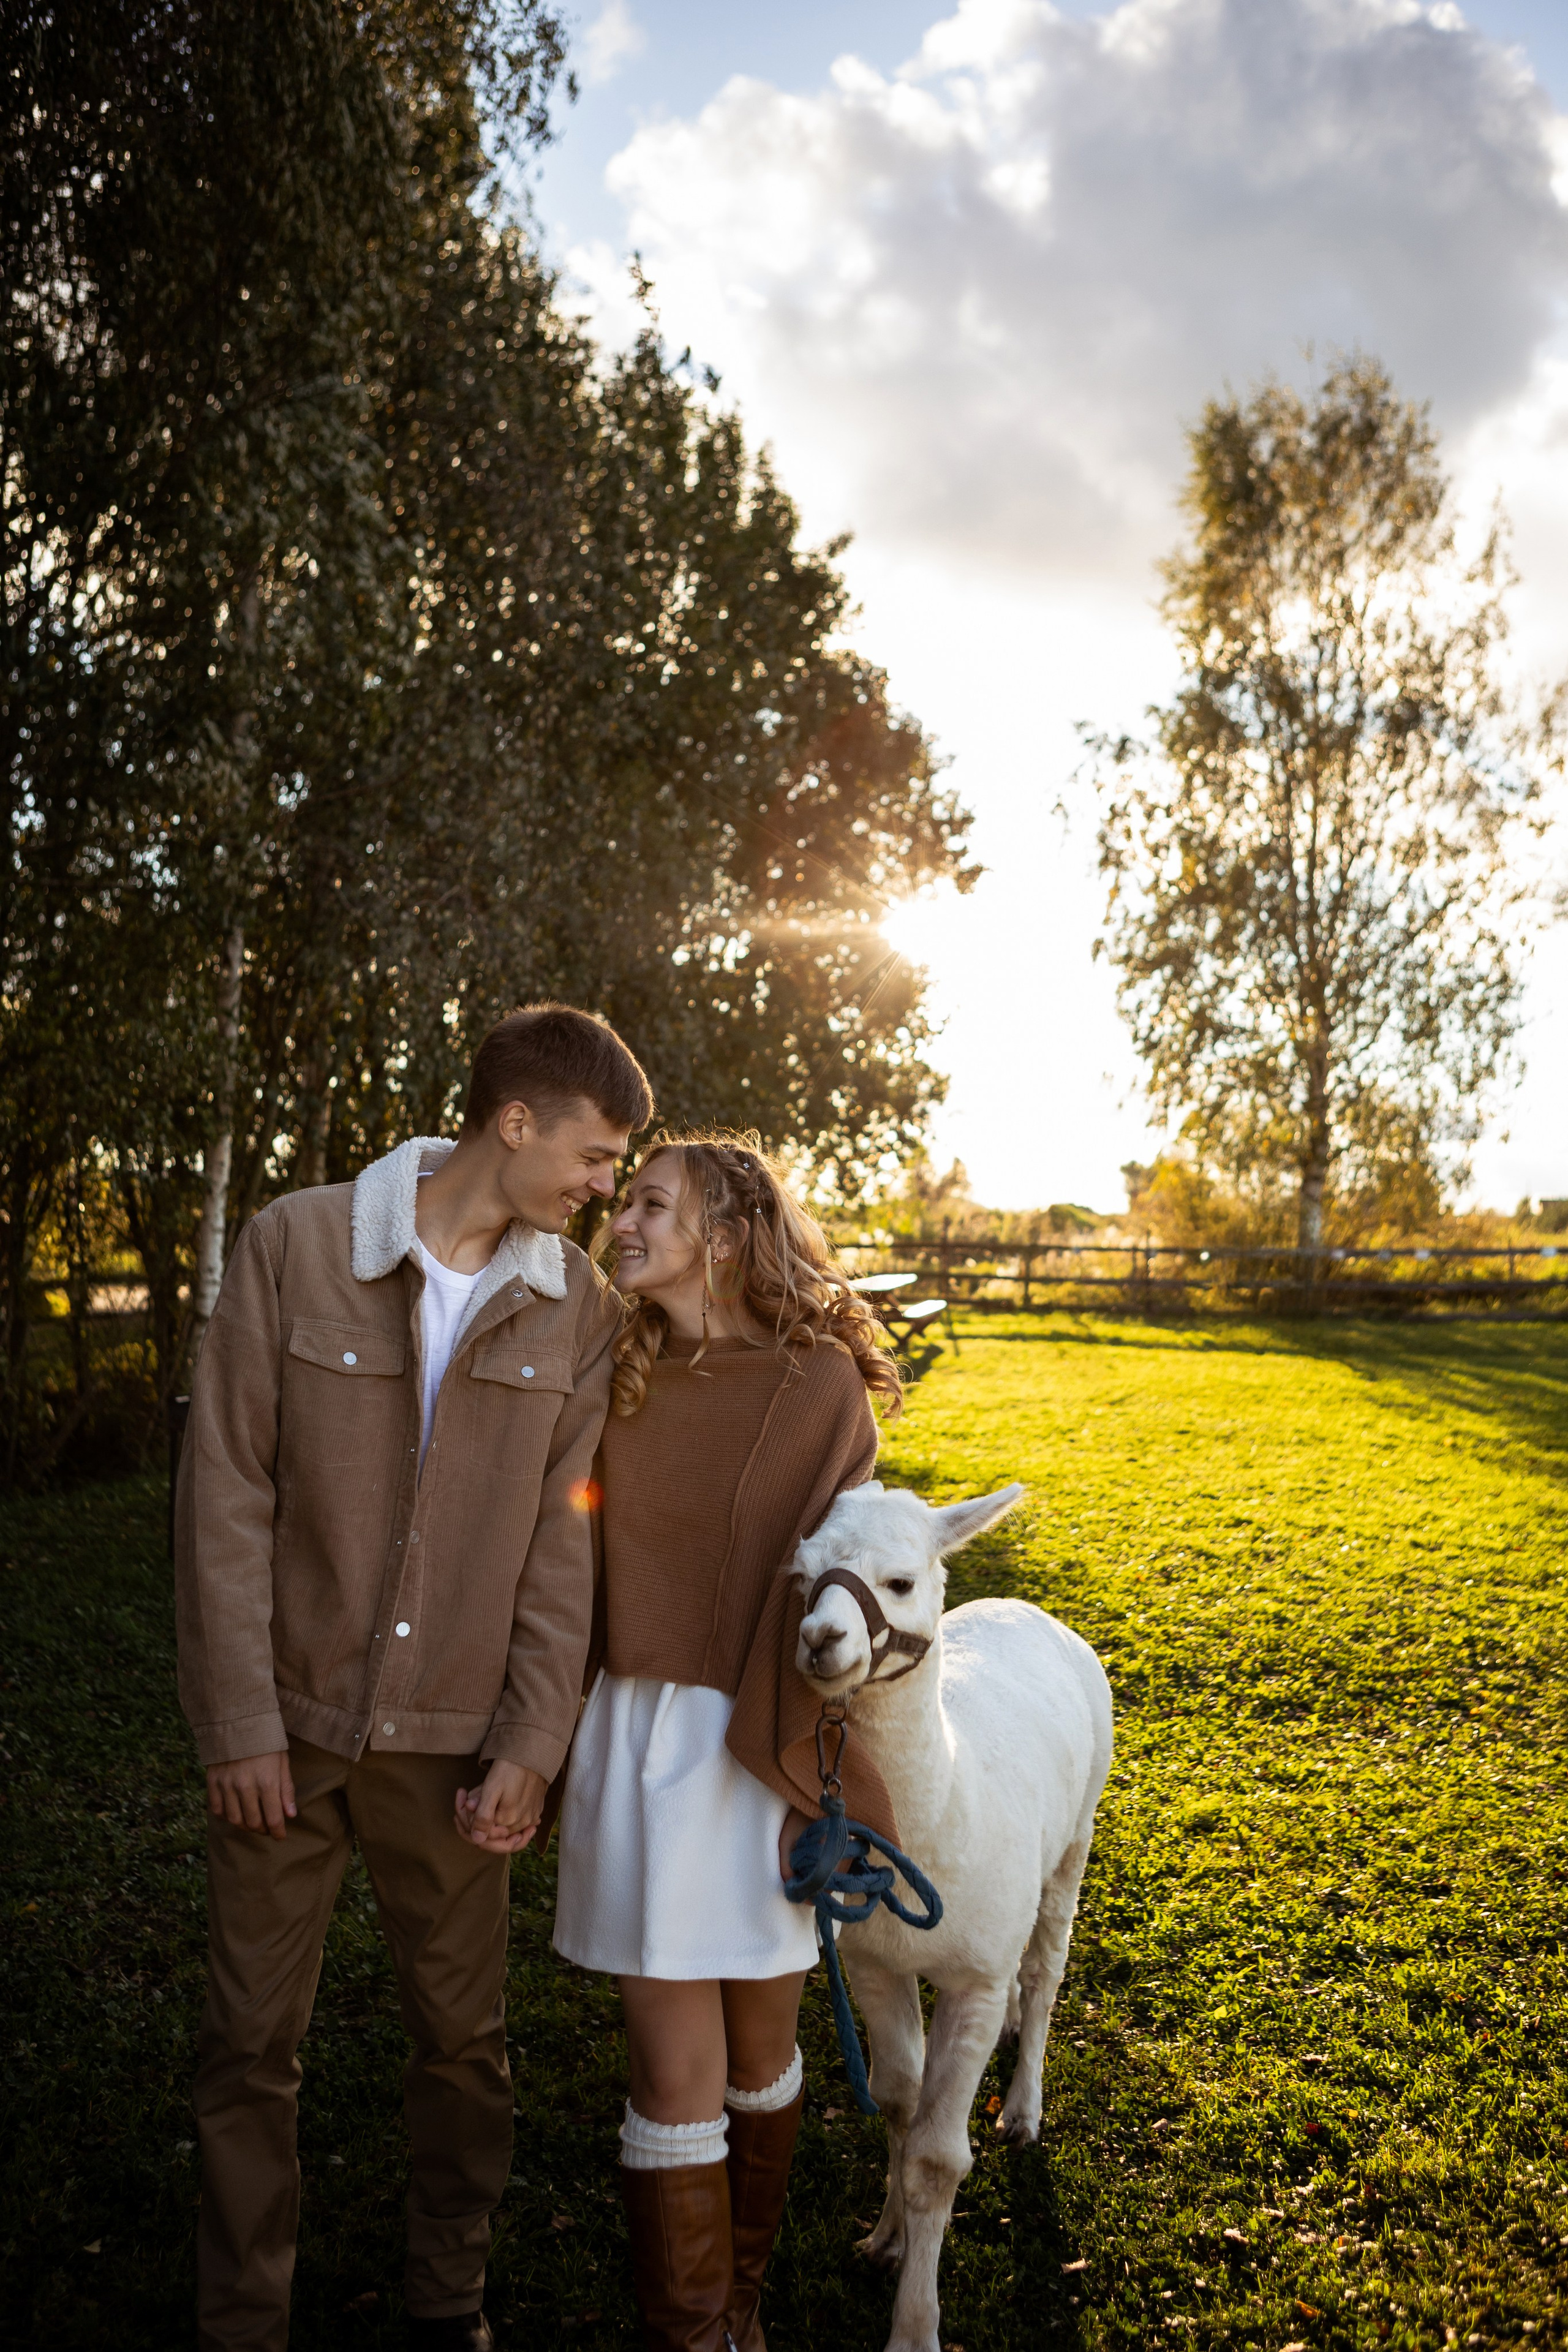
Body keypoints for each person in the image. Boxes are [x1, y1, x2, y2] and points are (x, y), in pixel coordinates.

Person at [175, 1002, 653, 2352]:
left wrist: (529, 1744)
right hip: (285, 1730)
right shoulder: (293, 1245)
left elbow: (570, 1546)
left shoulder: (581, 1312)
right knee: (245, 2049)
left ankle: (447, 2302)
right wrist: (237, 1722)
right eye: (600, 1155)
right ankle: (239, 2321)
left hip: (455, 1754)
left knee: (463, 2048)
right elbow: (223, 1496)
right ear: (516, 1123)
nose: (606, 1187)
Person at [549, 1134, 904, 2352]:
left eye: (650, 1204)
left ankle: (743, 2304)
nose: (622, 1220)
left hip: (761, 1744)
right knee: (671, 2073)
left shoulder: (816, 1388)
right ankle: (694, 2335)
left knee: (762, 2055)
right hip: (638, 1740)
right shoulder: (610, 1362)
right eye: (623, 1200)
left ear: (721, 1233)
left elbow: (844, 1586)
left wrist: (826, 1774)